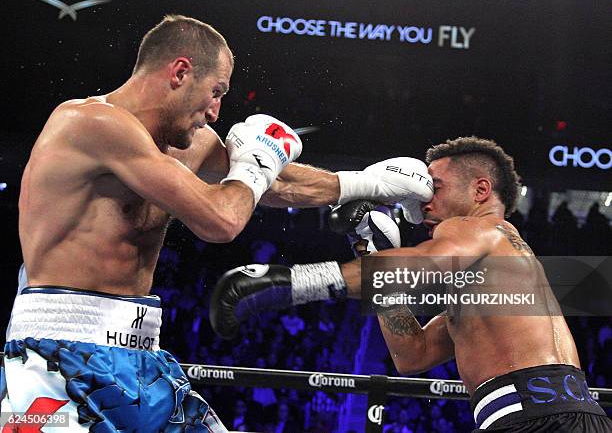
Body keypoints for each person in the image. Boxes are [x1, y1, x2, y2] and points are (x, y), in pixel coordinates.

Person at [1, 14, 435, 431]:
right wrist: (256, 164)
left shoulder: (176, 146)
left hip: (141, 357)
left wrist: (369, 183)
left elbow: (273, 182)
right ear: (180, 72)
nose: (215, 112)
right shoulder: (89, 123)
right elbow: (222, 217)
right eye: (216, 91)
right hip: (50, 360)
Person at [211, 137, 612, 432]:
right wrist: (371, 252)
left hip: (532, 418)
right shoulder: (499, 269)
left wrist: (291, 282)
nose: (422, 203)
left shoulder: (478, 229)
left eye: (434, 187)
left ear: (481, 190)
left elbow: (422, 265)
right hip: (566, 414)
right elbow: (413, 354)